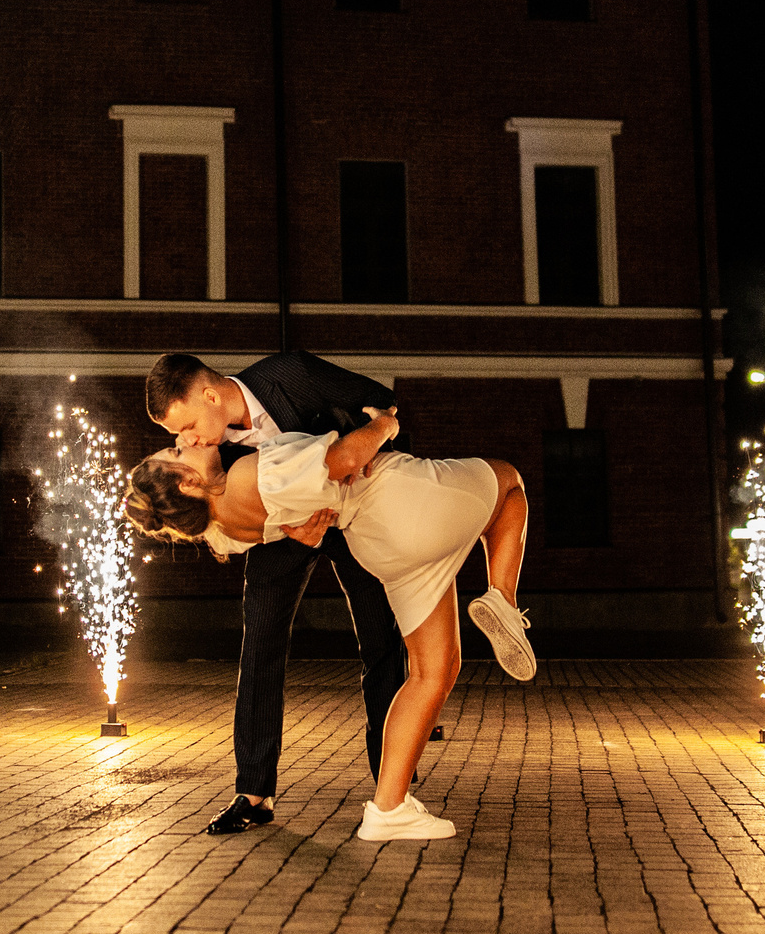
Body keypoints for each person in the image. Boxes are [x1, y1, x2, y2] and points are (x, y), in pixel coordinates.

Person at [126, 402, 533, 841]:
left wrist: (297, 527)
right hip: (397, 501)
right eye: (176, 453)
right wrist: (385, 423)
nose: (184, 441)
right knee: (510, 484)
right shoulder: (251, 473)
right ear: (188, 483)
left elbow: (283, 516)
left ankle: (389, 809)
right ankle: (503, 598)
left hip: (378, 546)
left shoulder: (220, 526)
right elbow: (346, 460)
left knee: (431, 673)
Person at [144, 350, 408, 836]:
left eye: (188, 427)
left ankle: (393, 787)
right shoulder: (209, 453)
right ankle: (254, 793)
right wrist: (287, 531)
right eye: (177, 438)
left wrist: (373, 463)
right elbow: (219, 519)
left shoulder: (290, 374)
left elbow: (381, 403)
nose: (188, 440)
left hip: (355, 519)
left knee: (380, 642)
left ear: (210, 394)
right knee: (259, 648)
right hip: (279, 537)